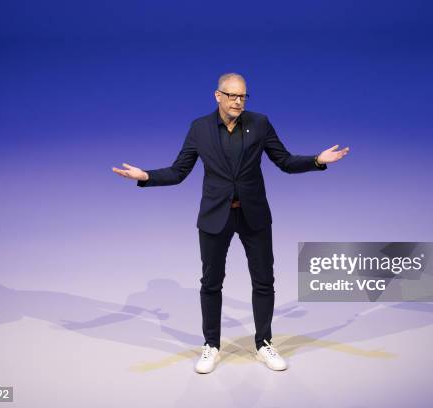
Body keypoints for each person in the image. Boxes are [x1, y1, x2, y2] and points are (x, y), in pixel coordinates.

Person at [112, 72, 349, 373]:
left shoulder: (260, 123)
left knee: (264, 280)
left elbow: (285, 162)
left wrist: (317, 160)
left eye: (243, 96)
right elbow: (179, 171)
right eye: (232, 95)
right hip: (215, 217)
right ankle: (211, 345)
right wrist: (146, 176)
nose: (238, 101)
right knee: (211, 283)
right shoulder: (199, 128)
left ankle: (264, 343)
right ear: (218, 96)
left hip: (254, 214)